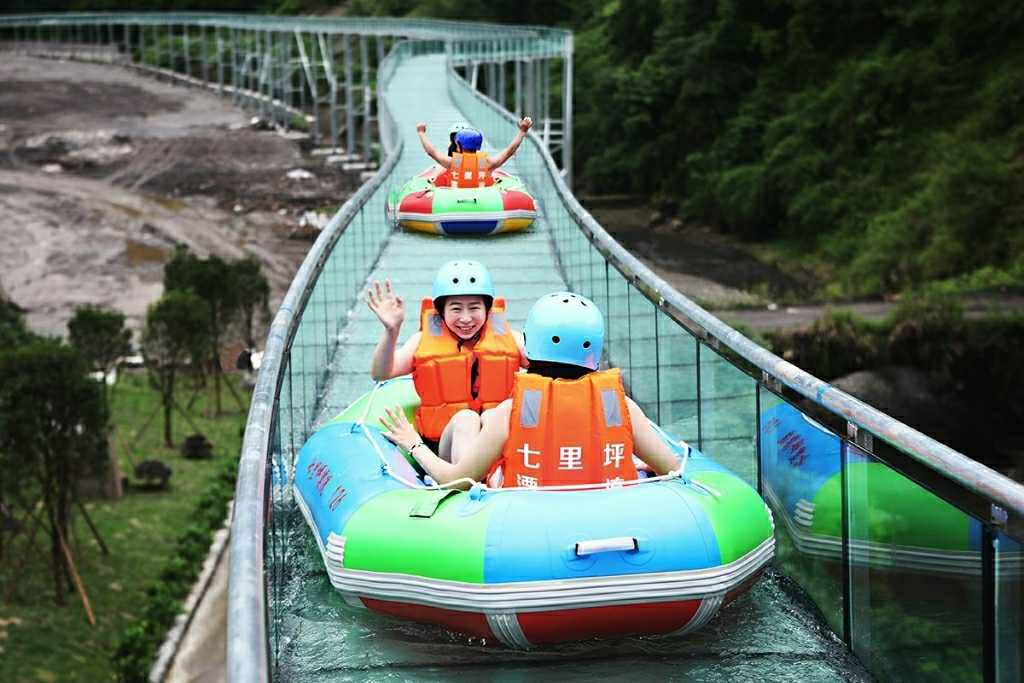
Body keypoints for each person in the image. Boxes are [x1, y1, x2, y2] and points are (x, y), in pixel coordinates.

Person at [380, 292, 679, 489]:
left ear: (531, 343)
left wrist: (414, 444)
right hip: (609, 512)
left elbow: (456, 480)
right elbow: (674, 470)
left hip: (523, 518)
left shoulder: (510, 413)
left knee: (476, 422)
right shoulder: (623, 406)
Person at [367, 260, 528, 461]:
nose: (466, 318)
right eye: (456, 309)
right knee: (466, 419)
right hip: (446, 446)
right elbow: (382, 373)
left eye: (474, 308)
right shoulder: (421, 342)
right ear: (441, 311)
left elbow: (545, 367)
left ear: (488, 309)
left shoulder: (512, 339)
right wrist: (391, 330)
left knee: (492, 416)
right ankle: (466, 478)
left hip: (496, 442)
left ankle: (487, 475)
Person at [416, 116, 533, 189]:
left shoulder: (453, 162)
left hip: (454, 201)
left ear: (459, 146)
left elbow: (431, 152)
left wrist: (421, 132)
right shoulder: (487, 163)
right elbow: (510, 151)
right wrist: (522, 131)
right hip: (484, 202)